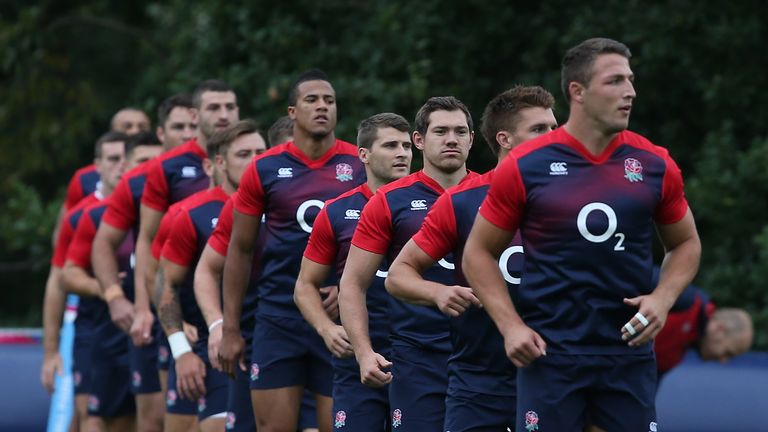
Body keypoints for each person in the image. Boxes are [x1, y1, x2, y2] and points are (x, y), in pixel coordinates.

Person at [462, 37, 702, 432]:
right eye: (615, 81)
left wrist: (663, 298)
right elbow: (478, 254)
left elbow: (686, 243)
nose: (630, 92)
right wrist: (511, 326)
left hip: (628, 355)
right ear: (578, 92)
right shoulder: (526, 164)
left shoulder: (654, 163)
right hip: (550, 356)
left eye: (631, 80)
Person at [386, 86, 558, 431]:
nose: (553, 138)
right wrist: (438, 292)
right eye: (540, 130)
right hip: (479, 380)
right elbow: (398, 275)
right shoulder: (462, 201)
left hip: (555, 373)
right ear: (505, 138)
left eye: (555, 128)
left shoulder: (573, 199)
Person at [220, 69, 365, 432]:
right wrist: (231, 328)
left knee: (340, 426)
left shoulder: (358, 164)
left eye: (329, 101)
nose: (322, 107)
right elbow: (240, 251)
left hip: (338, 319)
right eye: (311, 100)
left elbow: (380, 240)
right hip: (277, 317)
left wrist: (346, 284)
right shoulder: (264, 168)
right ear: (291, 112)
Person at [340, 96, 476, 431]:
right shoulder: (389, 201)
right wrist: (363, 352)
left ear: (472, 139)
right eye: (440, 131)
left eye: (460, 132)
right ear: (419, 140)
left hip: (484, 357)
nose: (451, 139)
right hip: (417, 358)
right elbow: (352, 283)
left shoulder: (495, 193)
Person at [296, 113, 413, 431]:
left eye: (406, 145)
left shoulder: (437, 204)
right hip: (358, 355)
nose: (402, 153)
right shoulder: (336, 211)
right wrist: (326, 328)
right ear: (364, 154)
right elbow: (305, 285)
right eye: (390, 145)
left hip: (422, 354)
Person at [157, 120, 265, 432]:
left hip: (273, 340)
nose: (255, 160)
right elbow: (164, 285)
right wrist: (183, 352)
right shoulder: (189, 213)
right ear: (218, 163)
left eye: (261, 152)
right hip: (214, 348)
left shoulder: (282, 207)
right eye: (244, 154)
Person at [63, 132, 163, 431]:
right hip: (108, 328)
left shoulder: (177, 209)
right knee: (99, 418)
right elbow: (64, 274)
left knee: (154, 419)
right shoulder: (93, 216)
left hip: (164, 326)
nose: (149, 170)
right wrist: (110, 292)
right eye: (142, 162)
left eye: (156, 163)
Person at [53, 131, 129, 432]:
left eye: (126, 158)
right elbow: (62, 276)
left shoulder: (157, 209)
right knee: (91, 415)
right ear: (97, 165)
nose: (121, 166)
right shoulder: (85, 214)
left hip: (142, 330)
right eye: (113, 159)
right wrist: (109, 291)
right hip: (96, 328)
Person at [654, 272, 753, 376]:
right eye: (728, 353)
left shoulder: (673, 358)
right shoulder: (686, 300)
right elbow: (639, 276)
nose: (723, 360)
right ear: (719, 329)